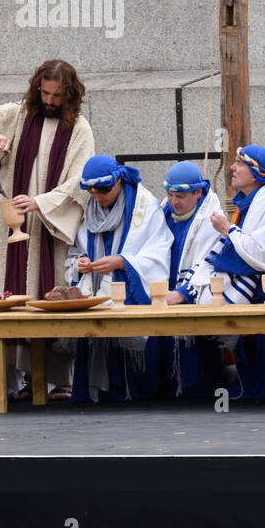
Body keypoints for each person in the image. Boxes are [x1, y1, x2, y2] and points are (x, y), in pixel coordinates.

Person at [0, 58, 95, 400]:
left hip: (48, 227)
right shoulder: (18, 115)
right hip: (11, 225)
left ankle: (60, 380)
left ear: (70, 94)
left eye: (58, 96)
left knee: (50, 295)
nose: (49, 101)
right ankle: (30, 380)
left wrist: (41, 203)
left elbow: (79, 183)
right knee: (16, 295)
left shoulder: (80, 130)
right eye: (45, 93)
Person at [66, 156, 171, 403]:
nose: (97, 196)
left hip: (128, 288)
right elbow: (75, 249)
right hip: (95, 289)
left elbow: (159, 250)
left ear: (119, 181)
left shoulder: (145, 207)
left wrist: (123, 262)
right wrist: (80, 262)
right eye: (91, 191)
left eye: (103, 190)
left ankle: (129, 392)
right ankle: (97, 393)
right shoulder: (88, 208)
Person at [204, 145, 265, 398]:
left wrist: (227, 229)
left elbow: (261, 252)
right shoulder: (250, 201)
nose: (232, 168)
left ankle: (259, 390)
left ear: (257, 173)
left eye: (239, 164)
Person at [157, 162, 225, 397]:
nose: (174, 201)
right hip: (163, 294)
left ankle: (200, 392)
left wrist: (184, 292)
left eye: (181, 196)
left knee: (199, 353)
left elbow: (211, 260)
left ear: (198, 193)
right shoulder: (162, 213)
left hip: (191, 297)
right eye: (170, 194)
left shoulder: (211, 219)